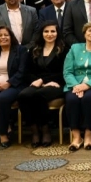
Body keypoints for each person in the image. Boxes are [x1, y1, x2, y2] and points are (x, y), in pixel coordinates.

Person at [18, 20, 67, 148]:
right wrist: (39, 81)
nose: (49, 34)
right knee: (23, 96)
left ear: (57, 33)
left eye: (53, 31)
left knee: (39, 95)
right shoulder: (34, 49)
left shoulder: (63, 49)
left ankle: (45, 130)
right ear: (41, 33)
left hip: (57, 83)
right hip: (36, 82)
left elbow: (64, 72)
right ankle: (34, 130)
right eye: (46, 31)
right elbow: (27, 72)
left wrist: (44, 81)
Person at [63, 21, 91, 151]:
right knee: (72, 99)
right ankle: (76, 136)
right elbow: (67, 71)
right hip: (74, 84)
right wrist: (76, 86)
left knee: (88, 99)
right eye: (90, 31)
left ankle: (88, 134)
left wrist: (86, 85)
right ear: (84, 33)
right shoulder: (74, 48)